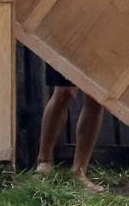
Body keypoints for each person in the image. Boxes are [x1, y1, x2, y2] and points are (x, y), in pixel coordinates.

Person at [35, 63, 106, 192]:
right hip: (68, 45)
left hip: (103, 46)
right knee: (64, 92)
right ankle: (44, 161)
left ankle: (79, 172)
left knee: (96, 97)